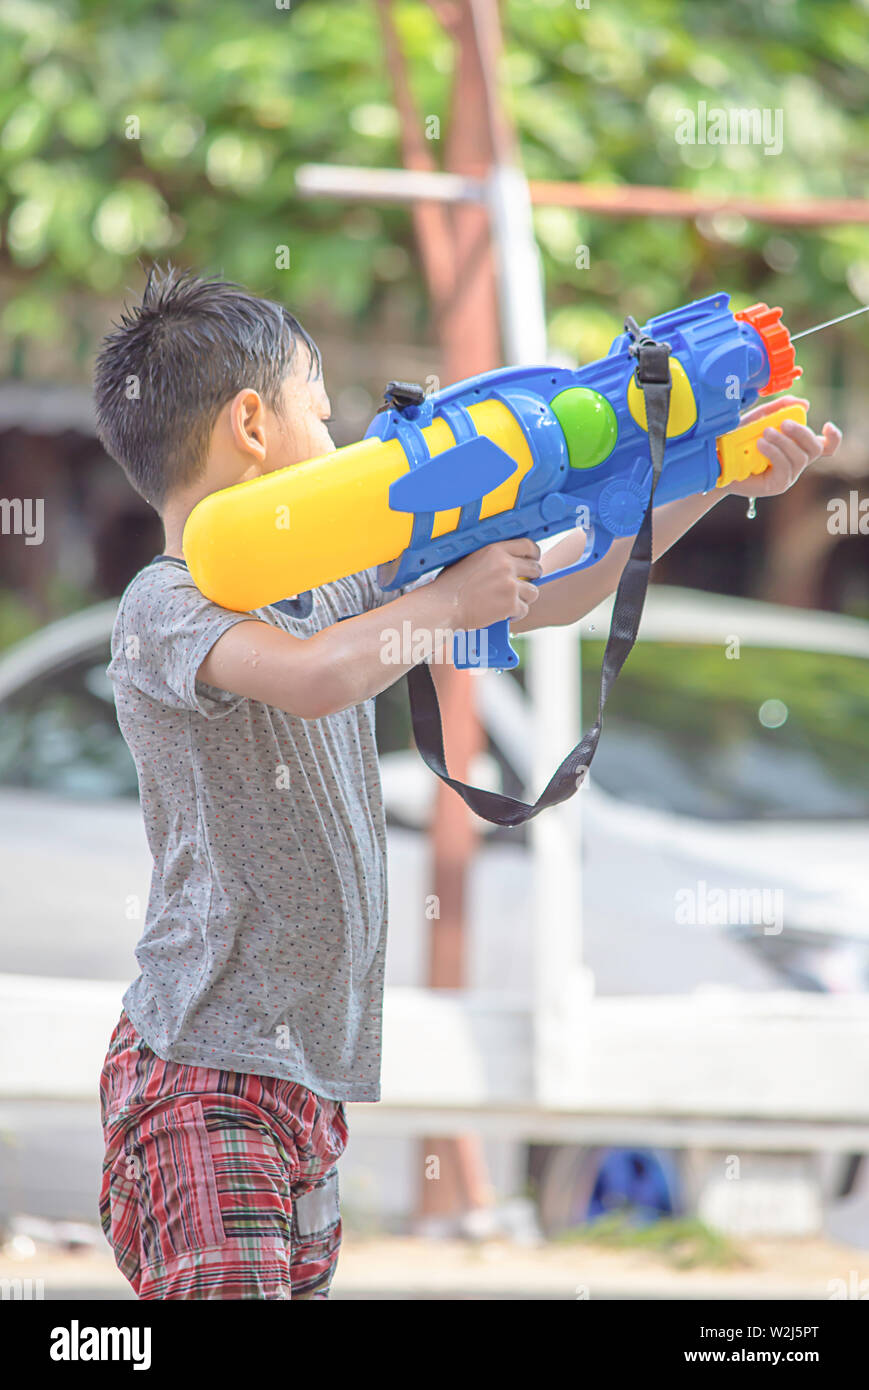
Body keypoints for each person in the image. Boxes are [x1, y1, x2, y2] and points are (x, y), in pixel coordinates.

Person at [93, 264, 841, 1299]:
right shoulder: (163, 603)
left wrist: (710, 471)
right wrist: (446, 604)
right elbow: (316, 677)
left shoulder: (338, 577)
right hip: (203, 1073)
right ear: (252, 423)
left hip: (305, 1085)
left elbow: (568, 590)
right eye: (322, 406)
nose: (343, 433)